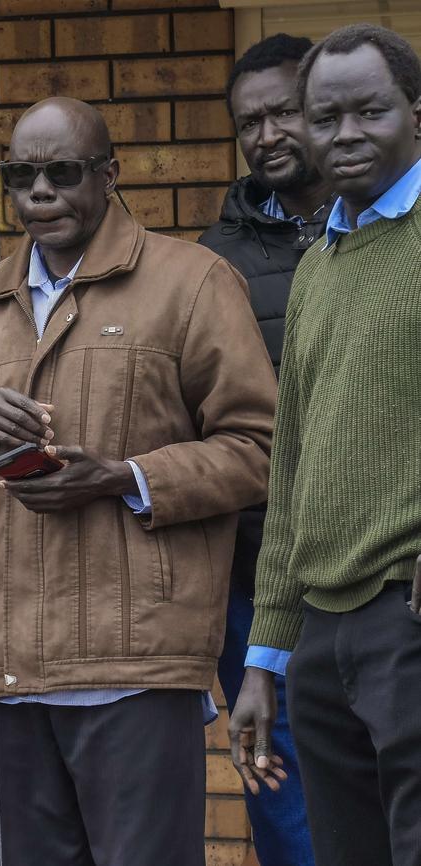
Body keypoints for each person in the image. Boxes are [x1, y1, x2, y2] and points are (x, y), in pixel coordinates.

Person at [0, 95, 277, 866]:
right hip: (14, 664)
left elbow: (260, 449)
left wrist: (125, 475)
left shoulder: (193, 282)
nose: (39, 193)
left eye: (62, 173)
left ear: (109, 176)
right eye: (21, 176)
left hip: (138, 658)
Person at [228, 24, 421, 866]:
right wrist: (264, 659)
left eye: (370, 112)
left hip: (405, 613)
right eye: (326, 115)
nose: (346, 135)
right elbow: (293, 463)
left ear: (416, 112)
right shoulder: (320, 265)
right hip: (319, 633)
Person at [198, 33, 333, 866]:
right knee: (282, 796)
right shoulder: (213, 265)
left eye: (284, 111)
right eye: (250, 121)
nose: (268, 134)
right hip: (256, 576)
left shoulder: (394, 234)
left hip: (384, 575)